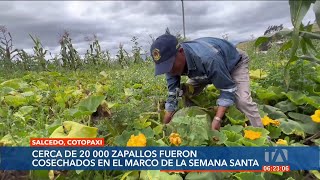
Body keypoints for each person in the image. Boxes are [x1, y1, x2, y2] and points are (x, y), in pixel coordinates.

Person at [150, 32, 264, 130]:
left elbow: (227, 88)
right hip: (204, 71)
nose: (169, 71)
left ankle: (262, 138)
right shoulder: (171, 68)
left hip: (233, 63)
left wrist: (217, 119)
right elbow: (173, 93)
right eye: (165, 68)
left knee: (242, 101)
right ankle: (194, 118)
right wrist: (166, 120)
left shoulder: (208, 58)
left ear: (180, 51)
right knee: (185, 91)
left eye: (170, 65)